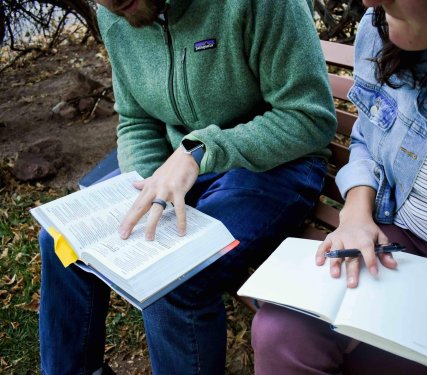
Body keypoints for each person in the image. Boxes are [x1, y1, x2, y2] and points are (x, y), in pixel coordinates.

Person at [37, 0, 337, 374]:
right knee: (61, 238)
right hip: (177, 166)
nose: (112, 2)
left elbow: (309, 117)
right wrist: (143, 184)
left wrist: (199, 150)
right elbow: (136, 120)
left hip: (275, 164)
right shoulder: (116, 16)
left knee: (173, 277)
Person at [251, 0, 427, 374]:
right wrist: (354, 213)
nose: (367, 0)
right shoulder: (381, 29)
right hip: (394, 242)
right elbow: (366, 139)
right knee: (281, 329)